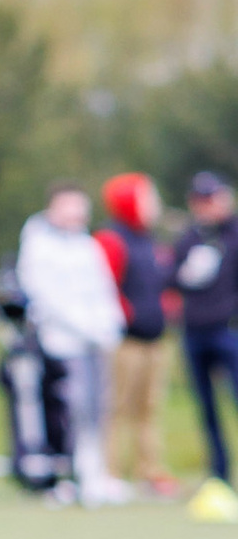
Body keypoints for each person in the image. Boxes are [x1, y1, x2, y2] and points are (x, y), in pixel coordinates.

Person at [16, 187, 127, 501]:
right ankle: (67, 475)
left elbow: (103, 289)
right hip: (60, 343)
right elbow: (45, 295)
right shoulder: (39, 245)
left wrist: (110, 325)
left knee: (98, 410)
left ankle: (95, 473)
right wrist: (84, 327)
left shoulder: (86, 246)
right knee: (70, 410)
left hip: (94, 341)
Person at [95, 174, 175, 495]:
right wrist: (126, 315)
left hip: (154, 340)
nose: (154, 204)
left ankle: (149, 471)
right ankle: (109, 473)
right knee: (115, 408)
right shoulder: (111, 239)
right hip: (124, 341)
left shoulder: (149, 240)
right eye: (147, 198)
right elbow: (105, 288)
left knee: (148, 410)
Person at [176, 172, 238, 487]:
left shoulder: (234, 234)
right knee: (207, 409)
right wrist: (184, 272)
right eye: (201, 200)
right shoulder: (190, 238)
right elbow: (171, 278)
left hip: (228, 331)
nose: (208, 206)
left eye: (213, 198)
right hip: (195, 332)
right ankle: (219, 475)